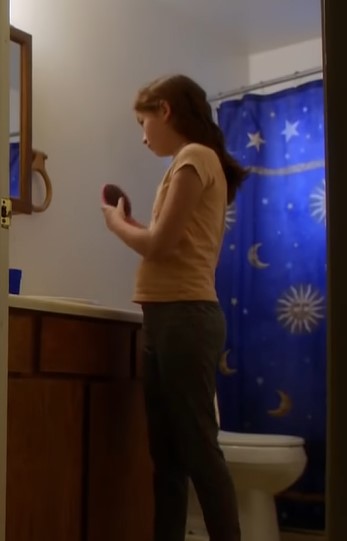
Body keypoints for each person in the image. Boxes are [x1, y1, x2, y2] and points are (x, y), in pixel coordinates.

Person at [101, 74, 248, 541]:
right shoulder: (193, 162)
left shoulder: (194, 157)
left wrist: (116, 225)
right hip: (168, 316)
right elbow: (173, 240)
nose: (143, 136)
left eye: (144, 122)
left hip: (185, 317)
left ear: (165, 110)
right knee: (168, 458)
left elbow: (160, 246)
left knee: (198, 452)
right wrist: (136, 225)